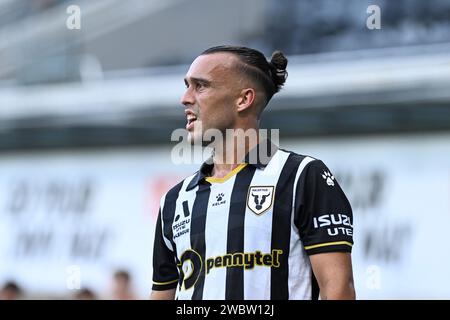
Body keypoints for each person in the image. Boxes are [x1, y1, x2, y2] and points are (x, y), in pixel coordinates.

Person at [150, 45, 355, 300]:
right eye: (186, 85)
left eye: (200, 86)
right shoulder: (174, 199)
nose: (186, 98)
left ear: (244, 99)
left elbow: (338, 288)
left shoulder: (303, 176)